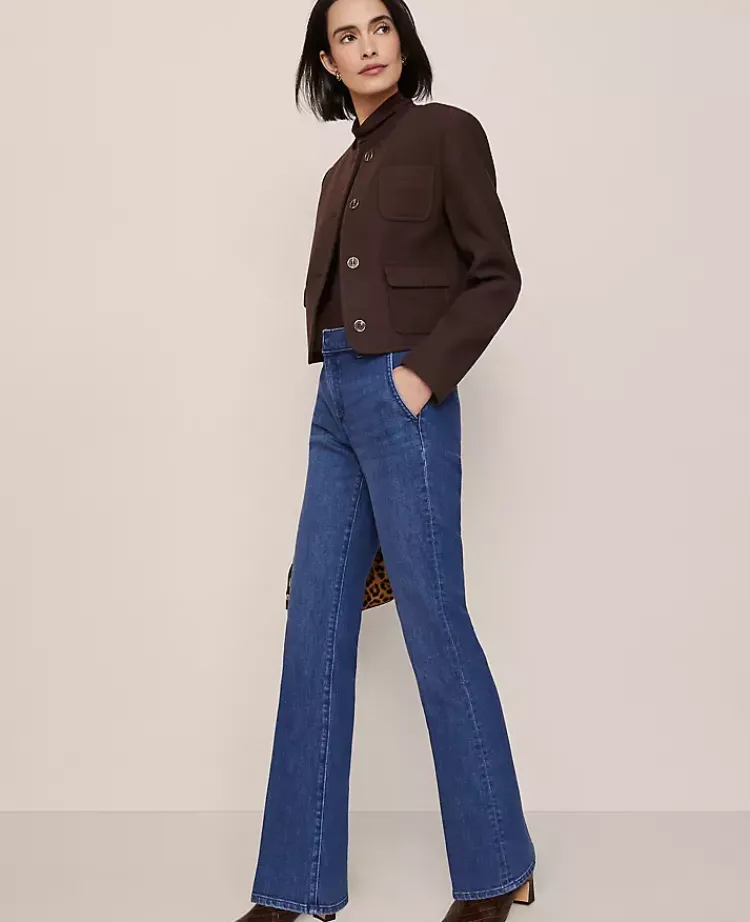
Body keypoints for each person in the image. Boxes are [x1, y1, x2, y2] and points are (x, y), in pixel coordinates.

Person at [234, 2, 536, 921]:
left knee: (433, 620)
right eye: (346, 36)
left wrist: (421, 377)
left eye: (380, 27)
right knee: (314, 626)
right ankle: (294, 885)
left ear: (403, 39)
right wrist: (354, 386)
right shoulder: (339, 172)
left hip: (404, 393)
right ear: (326, 62)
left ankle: (497, 871)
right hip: (335, 401)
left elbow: (497, 273)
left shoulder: (448, 133)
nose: (367, 46)